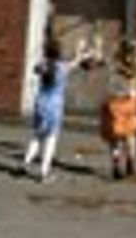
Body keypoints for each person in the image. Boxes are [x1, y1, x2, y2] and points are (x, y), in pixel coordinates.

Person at [20, 37, 91, 182]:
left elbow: (37, 69)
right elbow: (76, 62)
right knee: (51, 139)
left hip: (40, 103)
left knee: (37, 136)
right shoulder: (62, 67)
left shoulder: (43, 65)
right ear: (59, 52)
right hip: (55, 106)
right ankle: (44, 172)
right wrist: (81, 50)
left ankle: (25, 163)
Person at [102, 38, 136, 180]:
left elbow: (103, 64)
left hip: (115, 102)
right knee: (129, 133)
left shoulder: (113, 63)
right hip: (131, 101)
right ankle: (131, 162)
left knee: (114, 136)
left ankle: (116, 165)